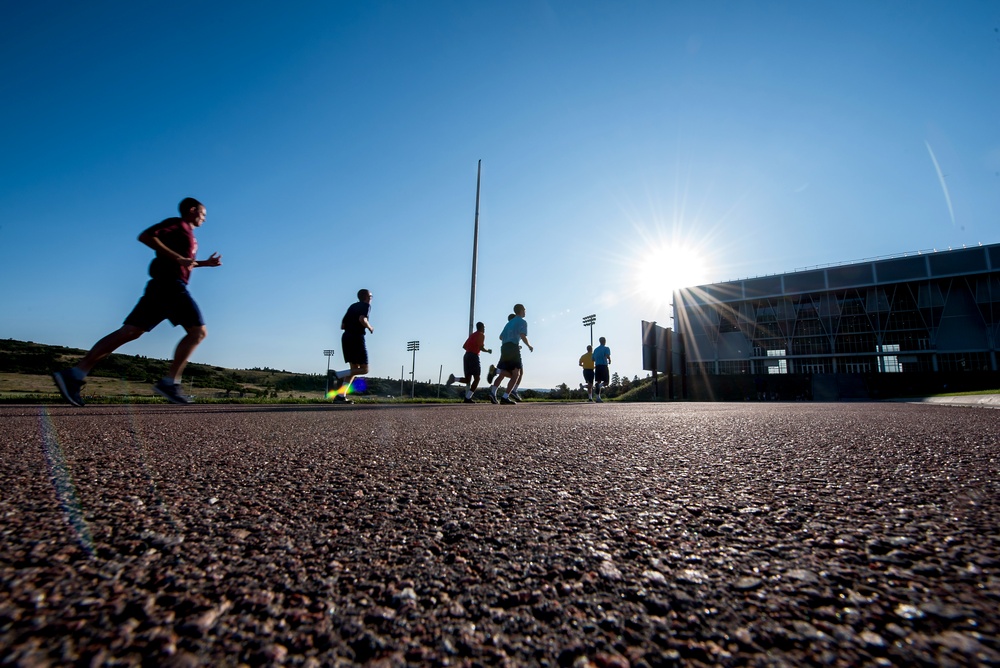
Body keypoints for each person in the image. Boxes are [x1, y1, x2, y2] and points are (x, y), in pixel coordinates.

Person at [53, 197, 222, 406]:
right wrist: (177, 258)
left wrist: (204, 263)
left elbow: (184, 262)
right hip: (170, 286)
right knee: (198, 332)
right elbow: (146, 236)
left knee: (130, 332)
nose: (204, 219)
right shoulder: (178, 224)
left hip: (161, 287)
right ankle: (170, 382)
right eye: (203, 214)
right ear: (192, 210)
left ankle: (75, 374)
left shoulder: (188, 235)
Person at [329, 289, 374, 404]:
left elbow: (343, 325)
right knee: (364, 369)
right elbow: (362, 319)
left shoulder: (352, 306)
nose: (371, 298)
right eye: (371, 296)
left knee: (353, 370)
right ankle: (336, 374)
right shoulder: (366, 306)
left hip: (346, 337)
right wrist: (369, 327)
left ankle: (340, 396)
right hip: (356, 338)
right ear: (366, 297)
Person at [489, 304, 533, 405]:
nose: (525, 312)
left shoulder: (509, 323)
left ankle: (493, 392)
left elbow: (500, 337)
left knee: (504, 373)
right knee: (516, 374)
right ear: (521, 310)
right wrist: (529, 345)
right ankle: (505, 396)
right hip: (513, 347)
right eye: (525, 310)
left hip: (504, 347)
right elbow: (522, 335)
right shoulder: (522, 322)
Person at [447, 322, 493, 403]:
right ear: (481, 327)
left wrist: (471, 349)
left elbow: (464, 346)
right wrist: (487, 351)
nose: (484, 329)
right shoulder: (481, 335)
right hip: (473, 356)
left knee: (468, 379)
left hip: (466, 356)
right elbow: (481, 348)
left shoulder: (472, 335)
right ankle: (468, 398)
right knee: (477, 378)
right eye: (484, 327)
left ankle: (454, 379)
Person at [592, 336, 612, 403]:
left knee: (598, 381)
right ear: (604, 341)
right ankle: (599, 386)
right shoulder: (606, 348)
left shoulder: (595, 350)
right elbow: (607, 355)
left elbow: (593, 359)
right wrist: (609, 360)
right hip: (603, 365)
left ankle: (598, 398)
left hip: (597, 366)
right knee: (606, 382)